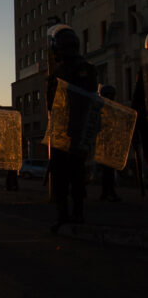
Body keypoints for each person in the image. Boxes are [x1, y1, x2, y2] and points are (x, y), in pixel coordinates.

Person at [46, 24, 98, 232]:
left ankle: (68, 215)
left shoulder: (70, 70)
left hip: (71, 132)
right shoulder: (82, 69)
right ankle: (72, 214)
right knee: (71, 176)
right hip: (70, 132)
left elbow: (79, 103)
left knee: (67, 177)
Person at [98, 84, 120, 202]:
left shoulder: (108, 108)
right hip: (105, 144)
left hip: (108, 143)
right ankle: (107, 192)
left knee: (108, 170)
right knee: (107, 170)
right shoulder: (103, 109)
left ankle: (107, 192)